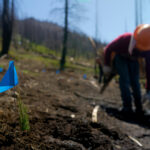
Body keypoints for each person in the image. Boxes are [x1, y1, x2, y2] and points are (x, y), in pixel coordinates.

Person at [102, 24, 150, 116]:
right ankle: (127, 107)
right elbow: (108, 48)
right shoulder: (125, 39)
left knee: (136, 83)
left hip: (134, 61)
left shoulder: (148, 48)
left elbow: (149, 69)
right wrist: (107, 64)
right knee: (125, 79)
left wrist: (148, 90)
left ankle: (139, 108)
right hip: (121, 57)